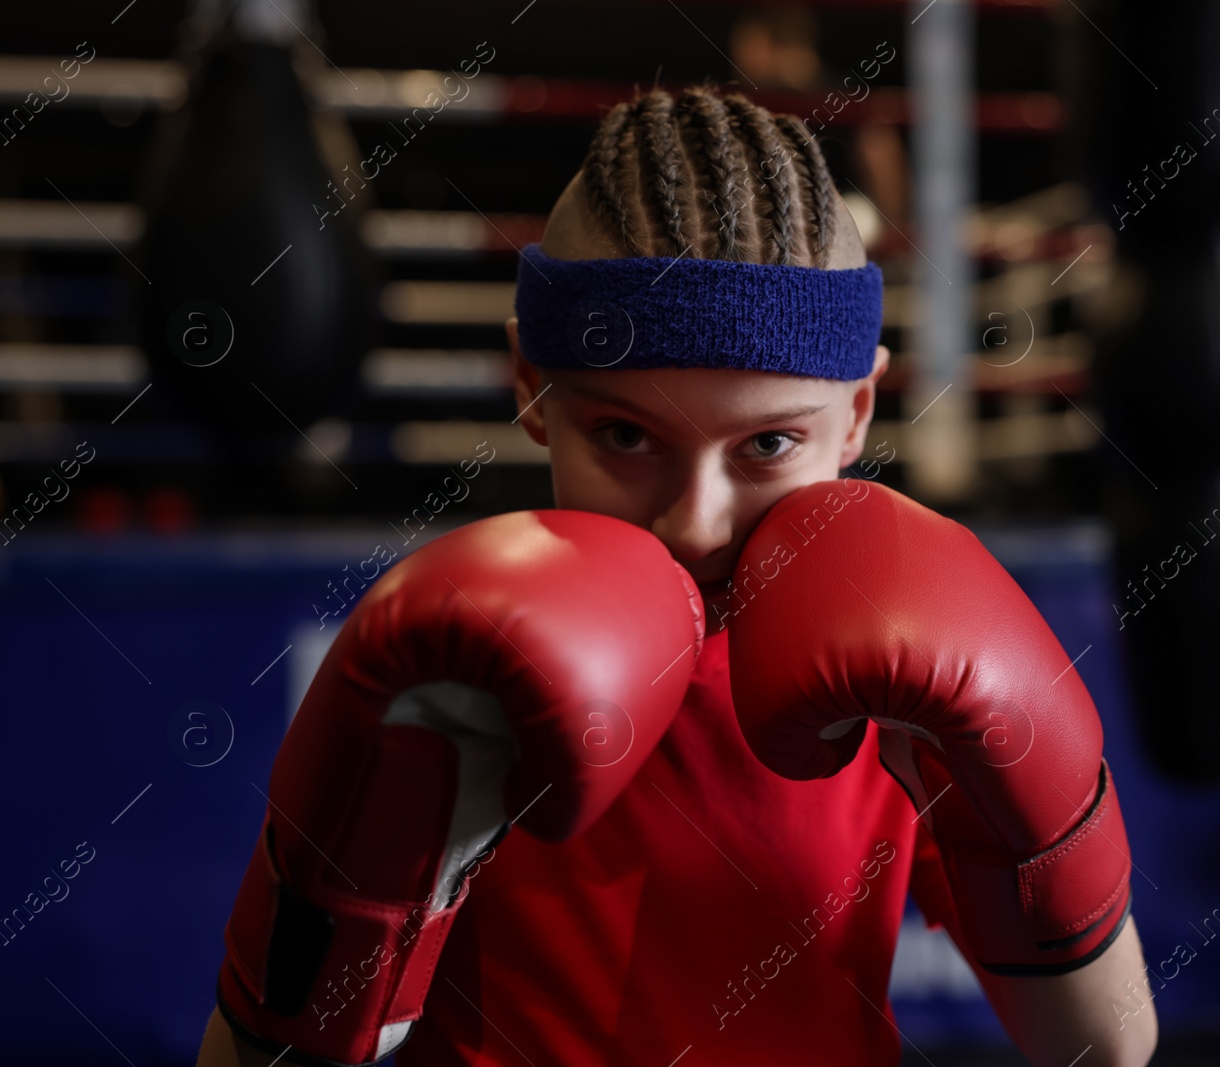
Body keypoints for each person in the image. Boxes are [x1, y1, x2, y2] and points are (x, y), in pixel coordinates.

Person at [197, 85, 1157, 1067]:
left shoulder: (899, 647)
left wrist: (1037, 822)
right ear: (533, 388)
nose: (694, 518)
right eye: (626, 435)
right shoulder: (451, 665)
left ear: (858, 412)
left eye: (770, 442)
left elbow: (1105, 1047)